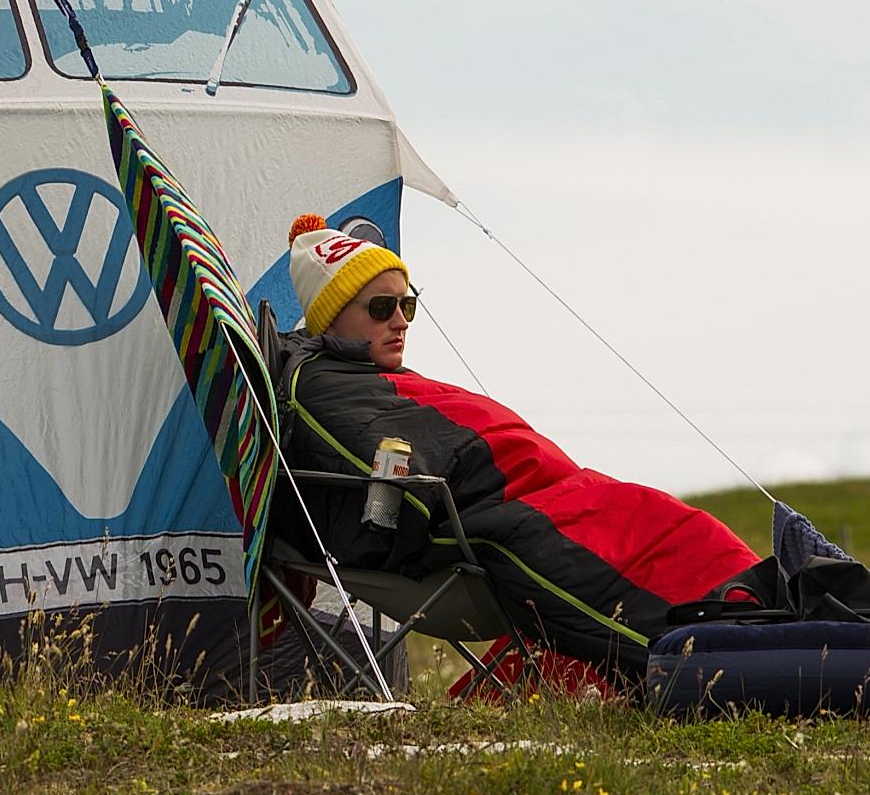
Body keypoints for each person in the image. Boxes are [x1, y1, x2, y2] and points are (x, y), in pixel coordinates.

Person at [269, 215, 766, 683]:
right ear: (333, 318)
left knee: (658, 516)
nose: (401, 321)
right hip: (493, 520)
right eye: (382, 308)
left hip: (547, 488)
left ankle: (772, 607)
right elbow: (395, 499)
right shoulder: (321, 386)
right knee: (628, 547)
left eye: (408, 304)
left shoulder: (372, 376)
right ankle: (742, 649)